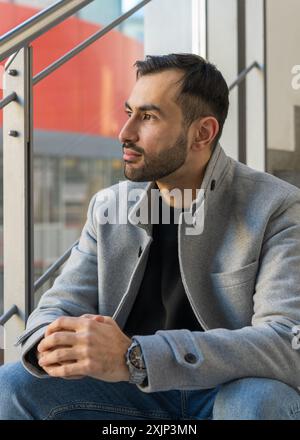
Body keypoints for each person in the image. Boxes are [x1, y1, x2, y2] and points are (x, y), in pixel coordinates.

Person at [1, 53, 300, 420]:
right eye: (129, 113)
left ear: (202, 133)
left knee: (256, 402)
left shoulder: (277, 207)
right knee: (11, 385)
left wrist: (135, 356)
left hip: (225, 390)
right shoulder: (110, 206)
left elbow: (287, 340)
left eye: (148, 116)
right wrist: (54, 339)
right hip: (128, 395)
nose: (125, 133)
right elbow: (58, 305)